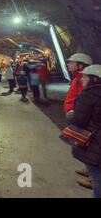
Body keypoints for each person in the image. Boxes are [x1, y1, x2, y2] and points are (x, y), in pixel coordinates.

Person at [69, 65, 101, 198]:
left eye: (85, 77)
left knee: (97, 177)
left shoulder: (88, 95)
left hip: (95, 140)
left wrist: (71, 115)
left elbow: (79, 120)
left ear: (94, 79)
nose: (82, 79)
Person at [64, 53, 93, 187]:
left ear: (80, 65)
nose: (68, 64)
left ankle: (93, 178)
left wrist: (75, 113)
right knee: (84, 146)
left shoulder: (84, 79)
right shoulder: (78, 77)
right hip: (75, 115)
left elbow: (86, 101)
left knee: (88, 146)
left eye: (71, 62)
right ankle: (89, 170)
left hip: (80, 118)